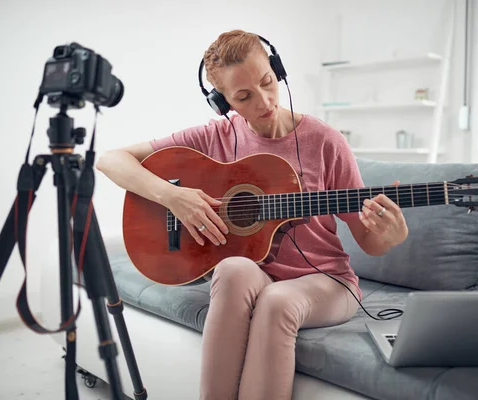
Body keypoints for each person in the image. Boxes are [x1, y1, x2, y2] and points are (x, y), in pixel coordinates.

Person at [96, 29, 409, 400]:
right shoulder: (216, 136)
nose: (263, 101)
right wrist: (173, 196)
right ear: (222, 102)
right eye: (244, 95)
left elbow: (369, 242)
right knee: (230, 269)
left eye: (267, 82)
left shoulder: (326, 142)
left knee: (276, 301)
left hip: (325, 281)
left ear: (277, 71)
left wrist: (391, 234)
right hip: (255, 275)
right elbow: (109, 160)